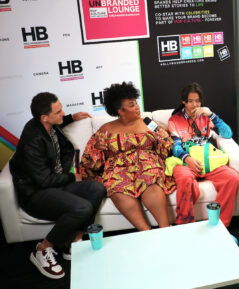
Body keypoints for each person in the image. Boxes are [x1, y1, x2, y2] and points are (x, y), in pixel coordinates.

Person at [9, 93, 105, 279]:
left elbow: (59, 121)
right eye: (59, 111)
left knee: (97, 188)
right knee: (82, 207)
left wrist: (71, 117)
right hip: (35, 193)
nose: (63, 113)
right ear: (45, 117)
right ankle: (42, 249)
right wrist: (72, 178)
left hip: (54, 184)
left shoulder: (47, 124)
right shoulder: (32, 141)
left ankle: (73, 242)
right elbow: (44, 180)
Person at [81, 82, 176, 231]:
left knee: (150, 180)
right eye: (131, 105)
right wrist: (97, 149)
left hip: (147, 164)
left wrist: (164, 138)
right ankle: (145, 232)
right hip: (117, 170)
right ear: (120, 110)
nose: (137, 107)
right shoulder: (106, 129)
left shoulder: (149, 124)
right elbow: (90, 163)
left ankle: (165, 229)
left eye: (136, 103)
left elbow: (165, 151)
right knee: (117, 188)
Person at [168, 82, 239, 227]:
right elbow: (175, 146)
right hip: (185, 161)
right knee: (186, 180)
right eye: (191, 101)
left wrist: (211, 115)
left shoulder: (205, 116)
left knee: (232, 177)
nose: (195, 105)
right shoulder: (174, 120)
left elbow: (227, 133)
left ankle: (221, 225)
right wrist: (187, 159)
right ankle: (185, 225)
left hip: (208, 160)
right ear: (184, 102)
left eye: (198, 101)